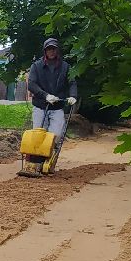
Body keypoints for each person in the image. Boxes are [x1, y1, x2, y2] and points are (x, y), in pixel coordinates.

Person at [24, 37, 78, 172]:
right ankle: (34, 163)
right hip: (40, 105)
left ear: (57, 50)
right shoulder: (37, 66)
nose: (51, 51)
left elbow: (72, 82)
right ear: (45, 51)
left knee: (56, 135)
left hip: (57, 107)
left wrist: (73, 96)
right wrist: (45, 95)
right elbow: (31, 84)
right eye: (49, 49)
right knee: (38, 134)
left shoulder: (65, 67)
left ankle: (49, 159)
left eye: (53, 49)